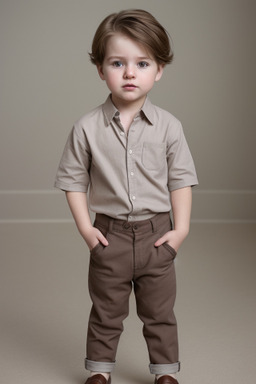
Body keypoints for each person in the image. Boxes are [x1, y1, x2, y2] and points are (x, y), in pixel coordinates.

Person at [55, 9, 198, 384]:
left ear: (159, 69)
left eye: (142, 63)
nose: (130, 73)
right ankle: (99, 371)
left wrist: (179, 231)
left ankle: (165, 373)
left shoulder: (169, 126)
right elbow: (73, 181)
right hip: (110, 236)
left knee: (160, 312)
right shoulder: (86, 127)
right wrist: (87, 231)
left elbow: (181, 179)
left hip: (157, 236)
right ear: (101, 70)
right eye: (118, 63)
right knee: (106, 310)